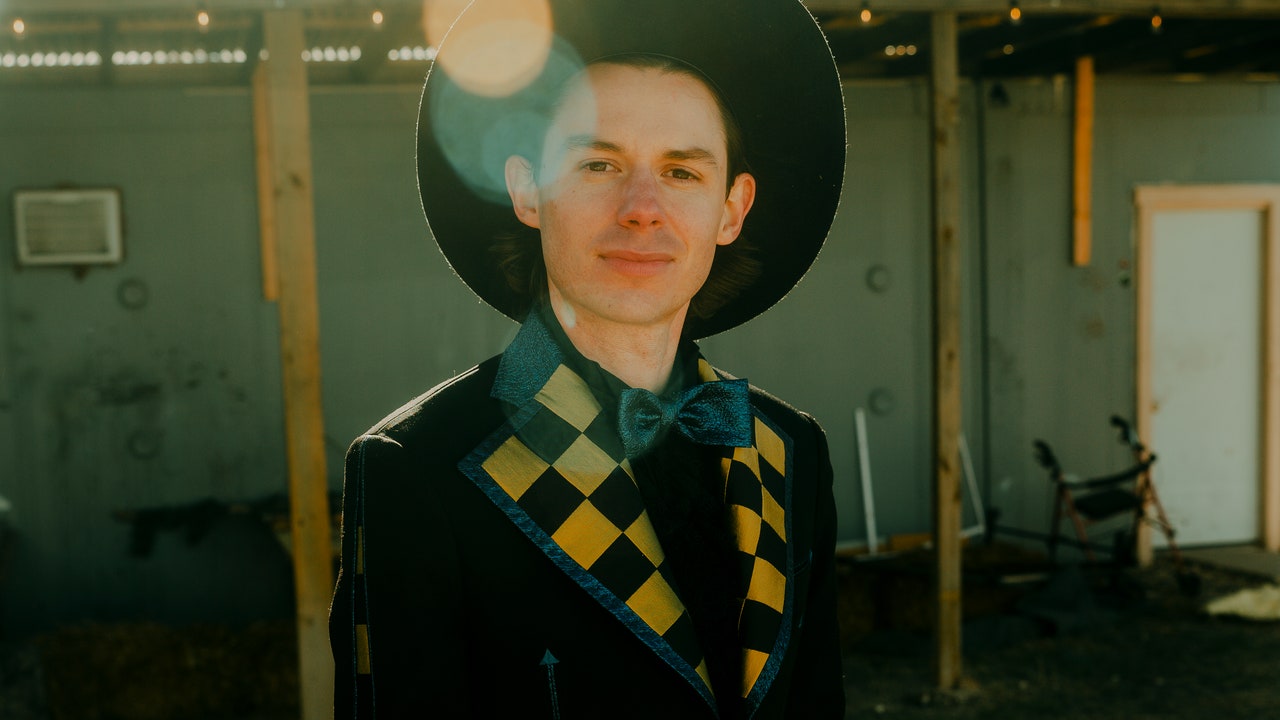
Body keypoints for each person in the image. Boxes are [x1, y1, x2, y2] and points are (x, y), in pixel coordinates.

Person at [329, 0, 847, 717]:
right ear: (527, 190)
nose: (642, 207)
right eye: (599, 163)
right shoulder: (414, 468)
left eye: (682, 172)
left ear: (732, 209)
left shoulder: (793, 450)